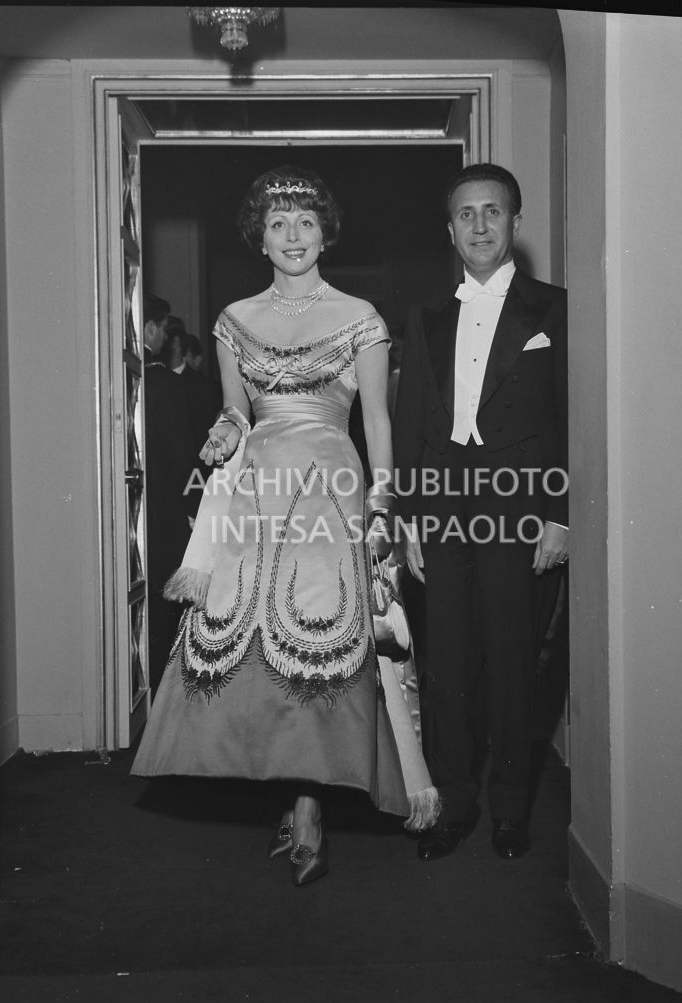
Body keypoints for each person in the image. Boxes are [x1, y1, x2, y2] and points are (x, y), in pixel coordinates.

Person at [131, 165, 438, 886]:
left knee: (321, 637)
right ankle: (290, 790)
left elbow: (378, 421)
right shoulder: (234, 321)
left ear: (326, 233)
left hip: (332, 491)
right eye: (278, 224)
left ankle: (308, 808)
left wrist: (385, 505)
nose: (293, 235)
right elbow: (237, 411)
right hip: (257, 494)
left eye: (306, 222)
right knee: (252, 646)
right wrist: (223, 431)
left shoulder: (361, 316)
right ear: (259, 238)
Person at [392, 162, 568, 861]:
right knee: (447, 665)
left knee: (513, 661)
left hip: (518, 506)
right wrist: (407, 518)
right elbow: (410, 423)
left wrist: (559, 515)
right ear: (450, 230)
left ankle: (510, 812)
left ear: (515, 223)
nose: (480, 225)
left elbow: (569, 418)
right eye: (466, 214)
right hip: (439, 508)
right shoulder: (428, 319)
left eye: (492, 211)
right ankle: (453, 805)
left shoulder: (553, 309)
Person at [142, 294, 193, 686]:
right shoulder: (165, 385)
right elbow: (183, 457)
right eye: (161, 328)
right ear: (150, 329)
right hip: (165, 514)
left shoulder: (121, 378)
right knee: (166, 608)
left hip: (135, 510)